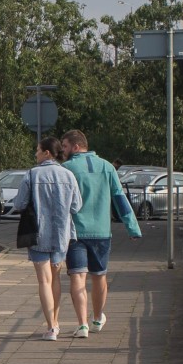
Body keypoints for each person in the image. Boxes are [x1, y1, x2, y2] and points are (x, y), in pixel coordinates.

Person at [60, 129, 141, 338]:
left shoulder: (67, 169)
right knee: (99, 277)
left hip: (75, 233)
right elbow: (120, 199)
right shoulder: (106, 167)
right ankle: (97, 319)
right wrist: (132, 227)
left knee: (77, 276)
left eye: (66, 146)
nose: (63, 151)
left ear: (76, 146)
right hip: (101, 233)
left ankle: (82, 325)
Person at [12, 137, 82, 341]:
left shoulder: (32, 175)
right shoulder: (68, 175)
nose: (35, 154)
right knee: (56, 279)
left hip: (37, 233)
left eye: (37, 150)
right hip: (62, 234)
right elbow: (76, 206)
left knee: (44, 280)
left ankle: (51, 327)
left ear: (47, 153)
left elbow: (19, 203)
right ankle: (56, 322)